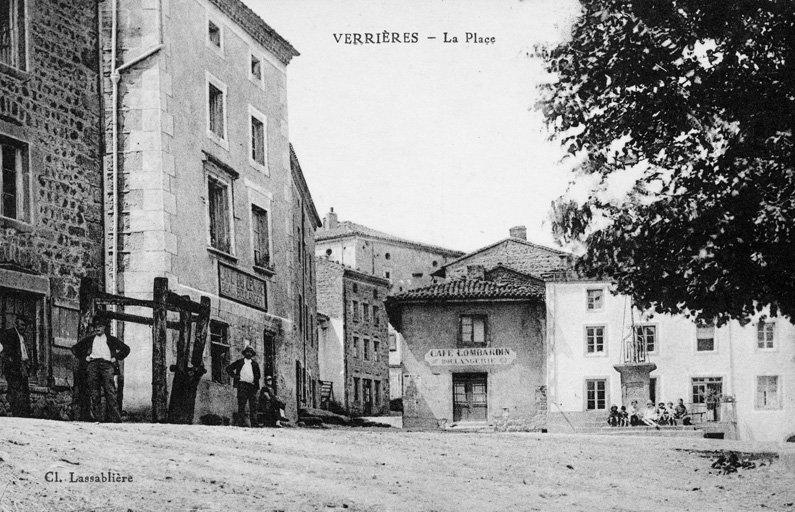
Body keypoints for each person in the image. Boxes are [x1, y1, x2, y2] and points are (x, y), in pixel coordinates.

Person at [71, 317, 130, 422]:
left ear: (105, 327)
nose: (97, 328)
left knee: (110, 391)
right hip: (93, 365)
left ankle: (116, 419)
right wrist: (85, 357)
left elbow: (126, 349)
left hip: (107, 366)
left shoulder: (111, 339)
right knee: (94, 392)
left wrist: (116, 357)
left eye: (100, 326)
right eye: (96, 326)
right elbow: (75, 348)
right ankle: (97, 418)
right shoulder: (90, 339)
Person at [0, 315, 35, 417]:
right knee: (14, 390)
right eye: (21, 325)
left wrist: (28, 365)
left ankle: (24, 414)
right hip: (13, 368)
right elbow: (2, 350)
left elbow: (25, 351)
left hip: (23, 367)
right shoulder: (9, 334)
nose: (23, 327)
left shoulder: (23, 336)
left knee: (24, 390)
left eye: (25, 326)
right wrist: (9, 361)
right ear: (16, 324)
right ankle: (15, 412)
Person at [225, 346, 260, 427]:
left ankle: (254, 423)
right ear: (245, 353)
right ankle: (241, 423)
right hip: (242, 385)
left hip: (251, 386)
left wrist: (255, 384)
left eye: (250, 352)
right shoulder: (240, 362)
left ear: (252, 354)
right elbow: (228, 368)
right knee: (241, 404)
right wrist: (235, 376)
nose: (249, 353)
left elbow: (258, 376)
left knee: (253, 405)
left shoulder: (255, 364)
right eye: (247, 352)